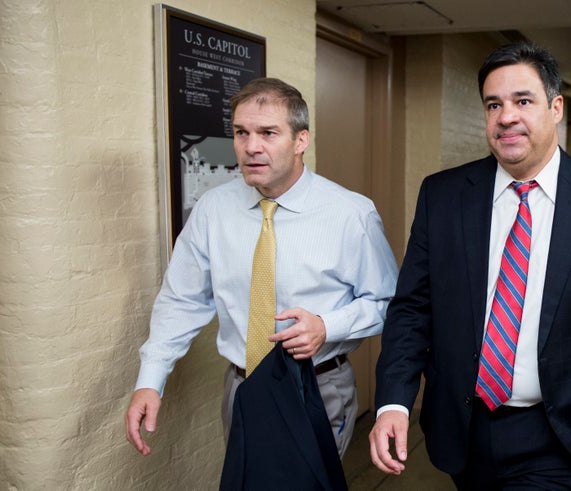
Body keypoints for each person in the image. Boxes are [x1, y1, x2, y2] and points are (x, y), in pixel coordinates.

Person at [369, 42, 571, 489]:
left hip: (563, 434)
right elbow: (412, 309)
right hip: (465, 429)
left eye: (523, 101)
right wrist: (393, 403)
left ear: (556, 107)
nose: (506, 116)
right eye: (493, 104)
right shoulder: (443, 196)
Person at [125, 77, 398, 459]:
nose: (251, 147)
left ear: (301, 140)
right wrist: (150, 381)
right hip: (242, 388)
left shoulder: (351, 214)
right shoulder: (213, 209)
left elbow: (387, 303)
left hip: (318, 387)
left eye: (268, 133)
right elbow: (181, 300)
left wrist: (326, 326)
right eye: (241, 132)